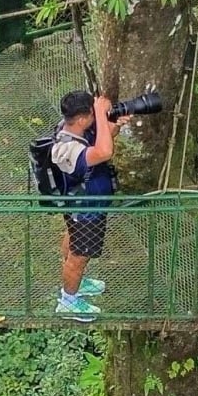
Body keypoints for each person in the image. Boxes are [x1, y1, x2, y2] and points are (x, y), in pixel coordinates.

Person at [49, 90, 127, 321]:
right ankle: (68, 301)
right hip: (85, 209)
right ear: (82, 118)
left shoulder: (74, 128)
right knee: (79, 256)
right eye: (93, 114)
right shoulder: (67, 148)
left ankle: (76, 282)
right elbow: (103, 152)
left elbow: (101, 141)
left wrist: (113, 123)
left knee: (74, 243)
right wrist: (103, 117)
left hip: (82, 204)